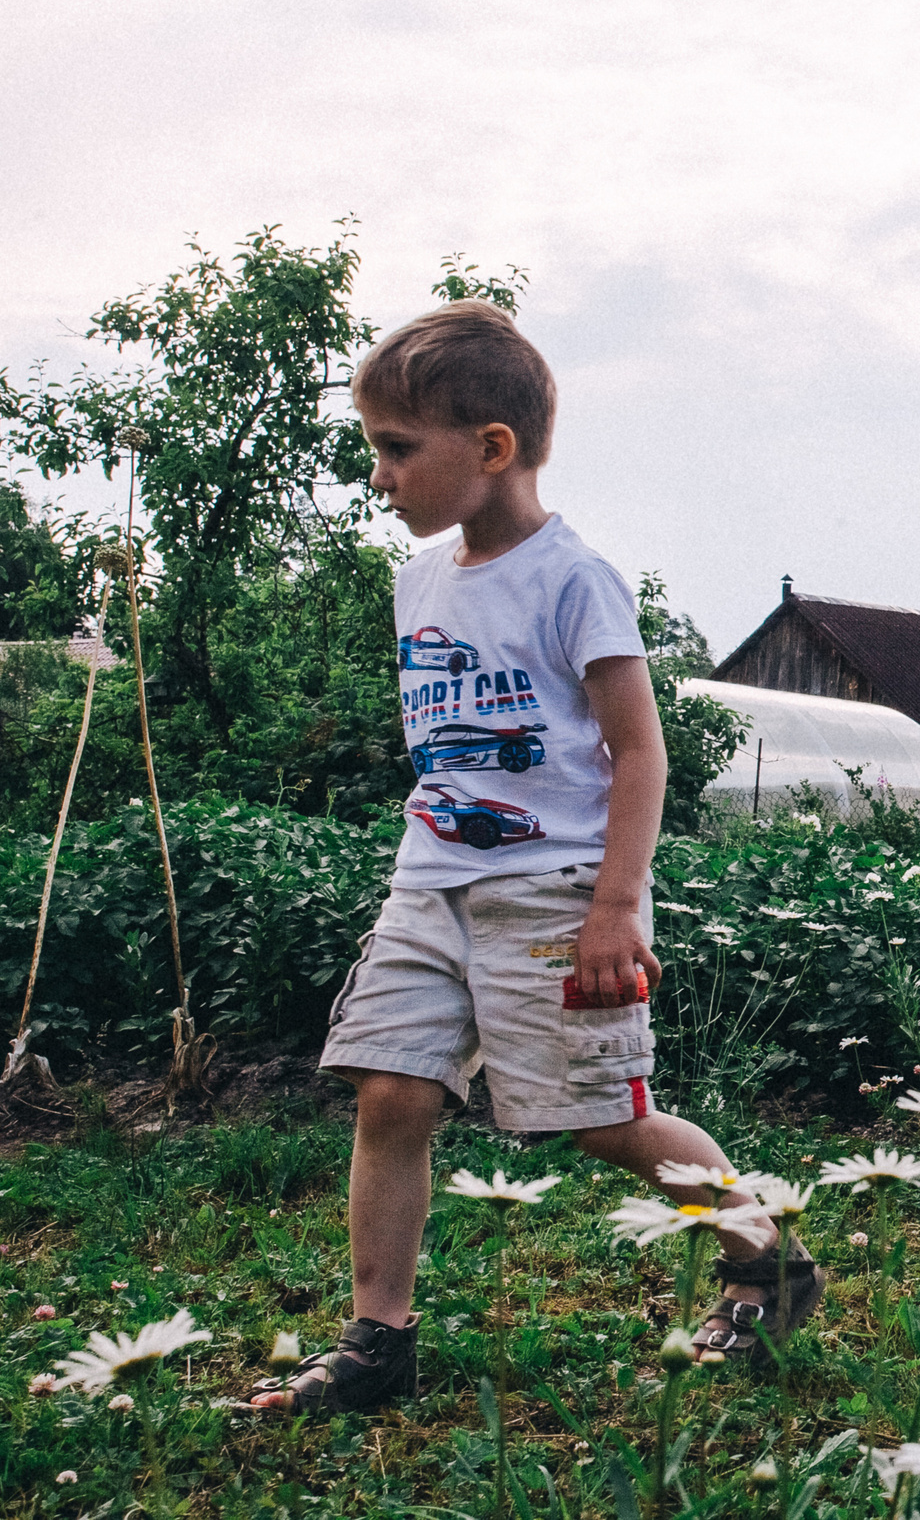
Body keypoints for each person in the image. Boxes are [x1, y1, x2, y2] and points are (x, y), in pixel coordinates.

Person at [248, 301, 819, 1415]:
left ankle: (765, 1257)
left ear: (492, 448)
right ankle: (379, 1338)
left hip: (554, 893)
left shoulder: (574, 579)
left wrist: (618, 906)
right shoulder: (419, 580)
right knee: (390, 1090)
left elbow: (638, 749)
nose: (380, 477)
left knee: (599, 1115)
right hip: (429, 883)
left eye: (397, 449)